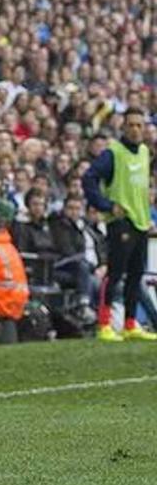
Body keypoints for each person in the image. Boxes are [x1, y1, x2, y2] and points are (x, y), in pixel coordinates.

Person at [83, 108, 157, 341]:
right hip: (120, 221)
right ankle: (104, 324)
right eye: (131, 125)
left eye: (139, 125)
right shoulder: (113, 153)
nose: (136, 129)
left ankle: (129, 323)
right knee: (114, 274)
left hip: (141, 221)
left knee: (136, 275)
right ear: (123, 127)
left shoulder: (145, 151)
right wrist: (106, 205)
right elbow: (89, 178)